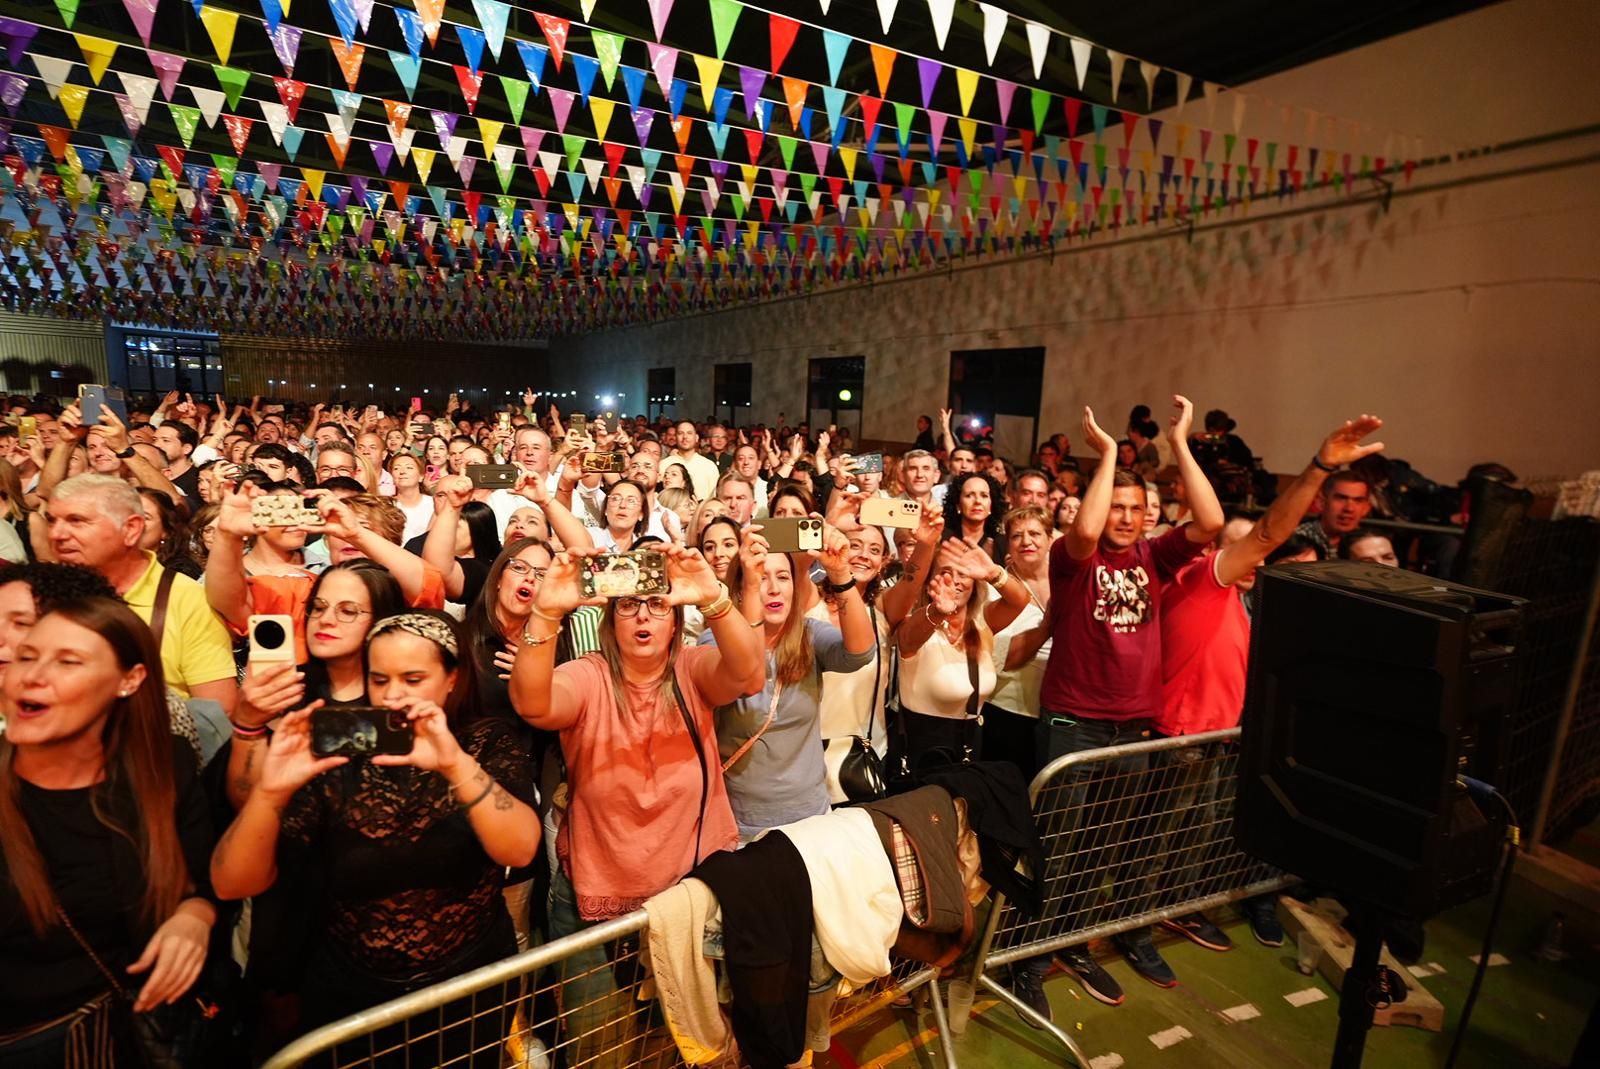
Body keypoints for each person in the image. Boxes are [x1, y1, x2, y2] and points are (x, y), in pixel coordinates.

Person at [211, 611, 540, 1061]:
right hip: (350, 993)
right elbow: (233, 882)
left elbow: (520, 850)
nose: (393, 695)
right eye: (380, 679)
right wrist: (270, 792)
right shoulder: (337, 757)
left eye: (413, 678)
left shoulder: (483, 743)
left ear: (451, 679)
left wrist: (454, 766)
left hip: (469, 983)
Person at [508, 544, 763, 1064]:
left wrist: (714, 597)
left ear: (675, 620)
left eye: (657, 605)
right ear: (610, 618)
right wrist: (547, 612)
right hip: (595, 901)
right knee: (601, 1051)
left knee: (687, 1043)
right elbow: (533, 702)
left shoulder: (692, 671)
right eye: (628, 605)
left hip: (689, 896)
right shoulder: (590, 675)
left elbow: (749, 674)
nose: (643, 615)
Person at [1152, 417, 1382, 954]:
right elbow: (1267, 534)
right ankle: (1144, 919)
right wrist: (1320, 466)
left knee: (1198, 830)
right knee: (1161, 837)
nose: (1251, 558)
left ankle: (1173, 909)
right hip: (1185, 740)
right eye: (1238, 550)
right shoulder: (1203, 581)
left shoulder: (1239, 600)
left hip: (1218, 738)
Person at [1036, 395, 1223, 1012]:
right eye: (1116, 503)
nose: (1123, 516)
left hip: (1132, 724)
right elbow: (1085, 530)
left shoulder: (1155, 555)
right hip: (1075, 720)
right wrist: (1112, 456)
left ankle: (1075, 942)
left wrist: (1179, 445)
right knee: (1059, 841)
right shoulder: (1073, 559)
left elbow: (1212, 522)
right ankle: (1029, 952)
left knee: (1102, 844)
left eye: (1134, 508)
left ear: (1149, 517)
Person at [0, 598, 218, 1065]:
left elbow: (203, 880)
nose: (32, 676)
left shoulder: (164, 771)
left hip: (143, 1038)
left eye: (67, 661)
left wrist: (195, 919)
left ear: (130, 680)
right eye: (26, 656)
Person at [705, 520, 875, 839]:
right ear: (740, 589)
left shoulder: (808, 635)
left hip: (810, 816)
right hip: (740, 822)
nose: (773, 588)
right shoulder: (712, 643)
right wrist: (751, 587)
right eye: (760, 578)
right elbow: (748, 678)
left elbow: (861, 653)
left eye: (783, 577)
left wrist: (839, 574)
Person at [45, 474, 237, 713]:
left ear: (131, 529)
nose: (57, 534)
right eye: (51, 521)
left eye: (77, 521)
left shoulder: (185, 599)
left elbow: (217, 713)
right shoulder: (39, 593)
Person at [892, 536, 1029, 772]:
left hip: (968, 752)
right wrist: (937, 612)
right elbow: (909, 638)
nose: (955, 580)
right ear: (928, 581)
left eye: (963, 573)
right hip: (921, 758)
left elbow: (1019, 600)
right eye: (945, 571)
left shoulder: (981, 625)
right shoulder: (918, 624)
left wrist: (994, 573)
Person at [1295, 470, 1374, 557]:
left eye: (1358, 500)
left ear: (1366, 509)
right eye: (1340, 498)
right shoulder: (1297, 539)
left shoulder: (1371, 543)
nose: (1349, 508)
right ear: (1321, 503)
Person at [663, 420, 720, 499]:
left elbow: (715, 497)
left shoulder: (709, 466)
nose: (685, 437)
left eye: (689, 433)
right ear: (676, 437)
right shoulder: (664, 464)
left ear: (696, 438)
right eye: (680, 433)